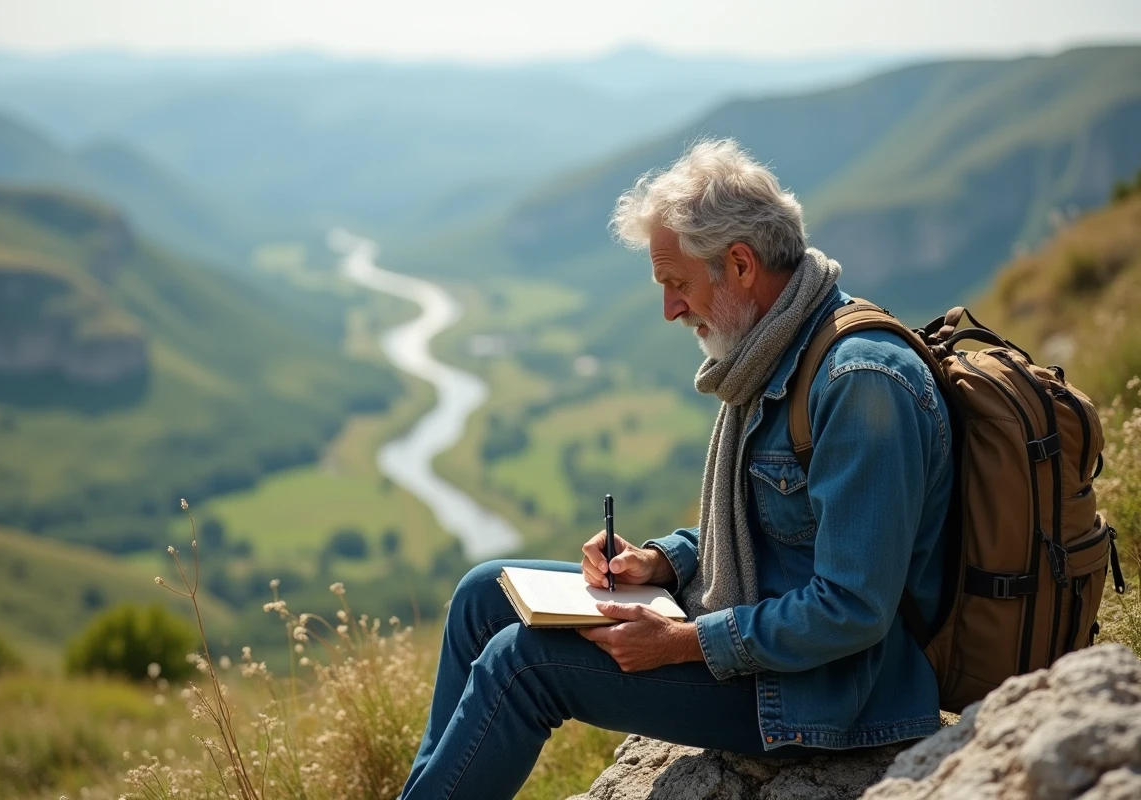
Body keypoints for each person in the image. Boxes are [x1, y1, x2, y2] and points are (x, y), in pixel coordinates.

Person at [399, 138, 953, 799]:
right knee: (483, 594)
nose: (669, 309)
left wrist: (684, 642)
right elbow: (776, 532)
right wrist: (661, 563)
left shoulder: (860, 384)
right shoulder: (775, 349)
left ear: (741, 265)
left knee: (524, 664)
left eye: (677, 284)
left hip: (825, 692)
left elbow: (852, 609)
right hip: (763, 637)